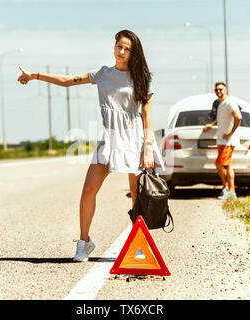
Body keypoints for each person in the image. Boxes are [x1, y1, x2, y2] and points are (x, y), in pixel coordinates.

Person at [17, 30, 164, 262]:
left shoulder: (142, 78)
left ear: (133, 53)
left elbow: (147, 115)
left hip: (135, 141)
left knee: (137, 193)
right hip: (110, 140)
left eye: (127, 49)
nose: (122, 51)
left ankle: (140, 245)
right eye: (119, 46)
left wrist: (147, 146)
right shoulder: (103, 74)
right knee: (88, 190)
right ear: (114, 47)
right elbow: (67, 81)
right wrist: (34, 75)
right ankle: (84, 242)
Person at [203, 82, 242, 200]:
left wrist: (231, 132)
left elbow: (238, 117)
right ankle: (231, 191)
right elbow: (221, 119)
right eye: (216, 90)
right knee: (227, 166)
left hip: (228, 141)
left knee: (219, 164)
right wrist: (211, 124)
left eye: (220, 89)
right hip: (222, 140)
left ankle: (228, 188)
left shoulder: (229, 102)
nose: (218, 92)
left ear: (225, 89)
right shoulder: (221, 104)